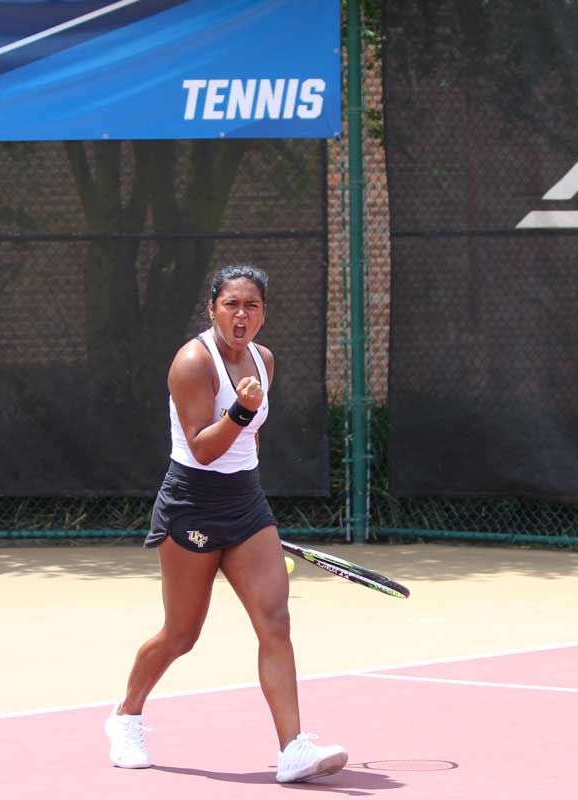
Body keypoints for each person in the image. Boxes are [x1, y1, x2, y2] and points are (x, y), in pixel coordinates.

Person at [103, 265, 347, 783]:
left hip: (245, 505)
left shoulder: (264, 360)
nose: (241, 314)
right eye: (231, 304)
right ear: (212, 308)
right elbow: (203, 448)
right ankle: (125, 717)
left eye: (252, 306)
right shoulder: (193, 362)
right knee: (182, 634)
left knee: (275, 621)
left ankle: (293, 749)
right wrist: (239, 409)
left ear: (263, 314)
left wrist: (254, 516)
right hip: (191, 503)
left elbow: (248, 445)